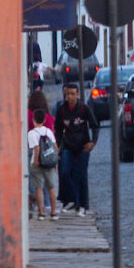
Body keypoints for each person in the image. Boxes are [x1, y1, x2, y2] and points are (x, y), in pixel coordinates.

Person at [53, 81, 97, 214]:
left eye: (73, 94)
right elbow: (58, 129)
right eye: (68, 94)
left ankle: (82, 205)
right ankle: (71, 200)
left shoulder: (84, 108)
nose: (70, 97)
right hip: (67, 146)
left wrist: (93, 142)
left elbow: (95, 125)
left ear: (77, 94)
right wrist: (58, 146)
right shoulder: (61, 110)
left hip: (83, 146)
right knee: (65, 171)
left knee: (81, 174)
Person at [25, 89, 58, 220]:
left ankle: (35, 206)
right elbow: (53, 139)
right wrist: (55, 157)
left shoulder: (27, 115)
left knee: (34, 182)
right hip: (47, 153)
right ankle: (49, 206)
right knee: (49, 183)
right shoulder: (49, 118)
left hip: (31, 150)